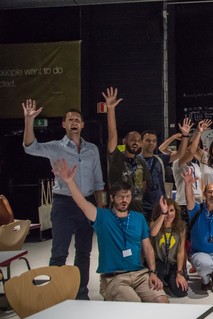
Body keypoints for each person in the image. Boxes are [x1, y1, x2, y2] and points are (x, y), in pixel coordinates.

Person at [53, 159, 167, 303]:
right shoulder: (102, 216)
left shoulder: (138, 218)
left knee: (162, 301)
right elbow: (82, 204)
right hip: (114, 278)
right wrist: (70, 182)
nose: (124, 200)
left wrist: (152, 272)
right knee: (135, 305)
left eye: (127, 196)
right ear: (112, 198)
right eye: (120, 197)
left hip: (139, 274)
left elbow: (148, 248)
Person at [22, 99, 104, 300]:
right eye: (70, 119)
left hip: (87, 203)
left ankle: (80, 293)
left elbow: (98, 181)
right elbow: (30, 147)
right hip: (63, 203)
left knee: (84, 253)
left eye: (77, 119)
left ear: (83, 125)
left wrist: (101, 209)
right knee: (59, 252)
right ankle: (56, 294)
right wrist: (29, 120)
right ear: (64, 125)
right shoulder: (56, 147)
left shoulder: (91, 149)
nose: (74, 122)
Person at [104, 87, 151, 214]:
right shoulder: (116, 157)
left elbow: (144, 187)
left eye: (138, 140)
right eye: (132, 139)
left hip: (137, 212)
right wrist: (111, 109)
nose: (136, 142)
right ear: (124, 141)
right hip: (117, 212)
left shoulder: (142, 162)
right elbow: (112, 134)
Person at [149, 197, 188, 297]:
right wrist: (163, 214)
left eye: (171, 210)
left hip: (172, 264)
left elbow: (180, 251)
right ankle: (164, 282)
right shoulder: (154, 224)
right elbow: (153, 233)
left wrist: (179, 273)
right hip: (159, 263)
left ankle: (168, 282)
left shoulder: (181, 226)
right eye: (166, 211)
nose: (169, 214)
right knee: (154, 288)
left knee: (181, 291)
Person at [140, 130, 171, 216]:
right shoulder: (135, 160)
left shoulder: (160, 159)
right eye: (148, 140)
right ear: (141, 142)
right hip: (140, 206)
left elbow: (180, 154)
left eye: (154, 141)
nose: (151, 143)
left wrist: (183, 135)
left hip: (158, 205)